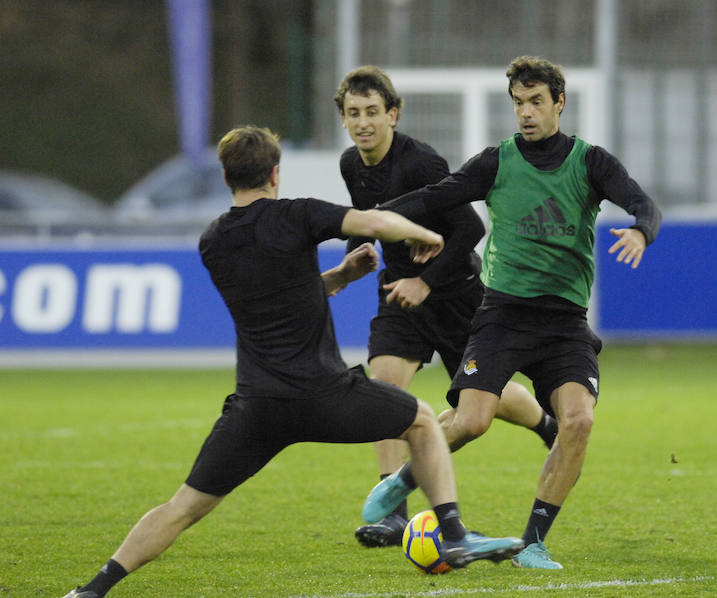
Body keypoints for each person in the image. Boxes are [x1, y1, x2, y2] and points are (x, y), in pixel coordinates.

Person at [59, 126, 524, 598]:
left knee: (182, 507)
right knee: (422, 421)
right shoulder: (298, 214)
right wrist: (428, 234)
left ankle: (93, 589)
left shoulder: (212, 241)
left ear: (225, 176)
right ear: (275, 173)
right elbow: (377, 224)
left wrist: (341, 275)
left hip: (257, 406)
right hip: (325, 393)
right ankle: (455, 534)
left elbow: (277, 297)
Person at [361, 56, 662, 569]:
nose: (526, 112)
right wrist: (370, 219)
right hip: (502, 314)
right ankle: (402, 481)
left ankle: (534, 542)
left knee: (578, 422)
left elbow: (644, 203)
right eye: (519, 103)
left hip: (564, 321)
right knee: (473, 421)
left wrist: (640, 230)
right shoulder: (497, 161)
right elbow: (437, 197)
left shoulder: (590, 162)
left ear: (558, 103)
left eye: (536, 102)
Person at [334, 66, 558, 548]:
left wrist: (428, 281)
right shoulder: (350, 164)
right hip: (398, 293)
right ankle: (393, 512)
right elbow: (375, 220)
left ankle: (545, 423)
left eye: (373, 112)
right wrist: (361, 249)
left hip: (455, 294)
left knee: (484, 400)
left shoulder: (422, 164)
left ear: (393, 114)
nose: (363, 123)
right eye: (353, 114)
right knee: (385, 389)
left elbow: (471, 230)